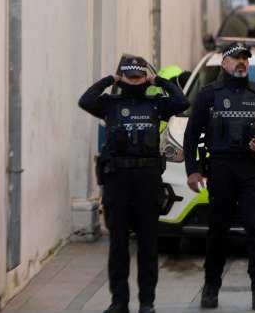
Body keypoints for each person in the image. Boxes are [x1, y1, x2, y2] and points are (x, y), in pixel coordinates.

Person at [78, 55, 190, 313]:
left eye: (139, 77)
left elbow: (181, 101)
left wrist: (158, 80)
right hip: (118, 183)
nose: (135, 82)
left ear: (145, 78)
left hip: (147, 184)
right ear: (123, 78)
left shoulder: (155, 105)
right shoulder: (110, 104)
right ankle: (119, 302)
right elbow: (85, 100)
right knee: (118, 245)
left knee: (149, 246)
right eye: (130, 77)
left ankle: (147, 302)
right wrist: (110, 79)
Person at [183, 42, 255, 311]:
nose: (241, 62)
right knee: (217, 231)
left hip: (253, 171)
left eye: (245, 58)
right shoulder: (209, 95)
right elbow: (191, 134)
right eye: (235, 58)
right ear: (224, 63)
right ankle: (211, 287)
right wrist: (192, 170)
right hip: (221, 169)